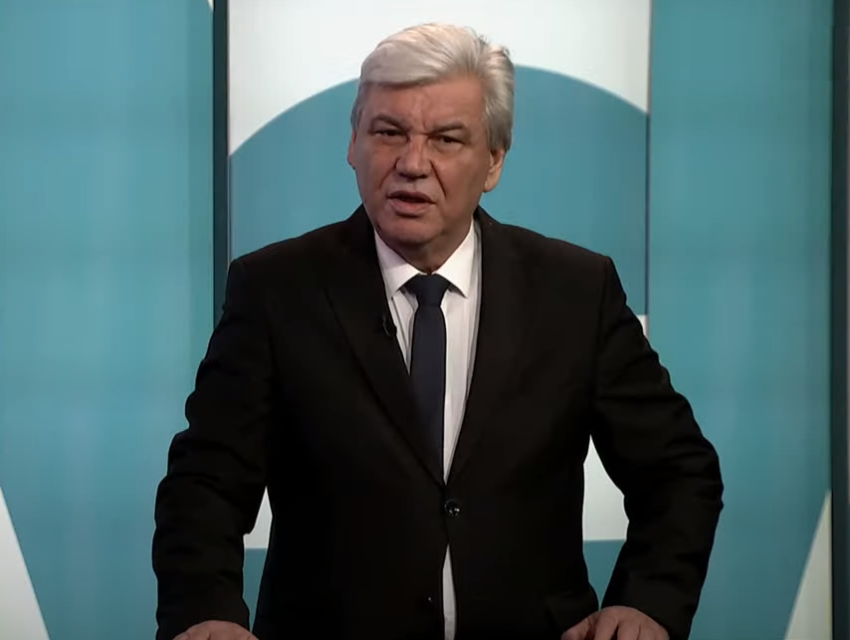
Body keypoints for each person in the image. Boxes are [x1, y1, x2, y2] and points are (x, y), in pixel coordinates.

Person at [153, 22, 723, 640]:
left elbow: (677, 470)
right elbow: (205, 484)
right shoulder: (275, 290)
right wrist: (205, 612)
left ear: (494, 161)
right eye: (388, 132)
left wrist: (648, 603)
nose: (412, 164)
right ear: (353, 143)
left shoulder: (576, 292)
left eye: (446, 139)